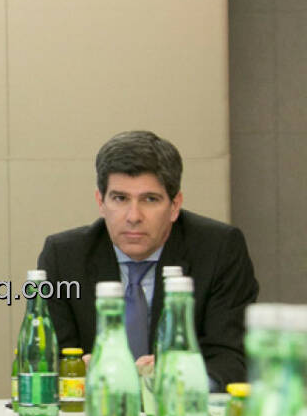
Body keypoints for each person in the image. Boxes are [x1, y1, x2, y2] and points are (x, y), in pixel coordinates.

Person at [37, 130, 257, 390]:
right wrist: (72, 372)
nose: (133, 216)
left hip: (183, 415)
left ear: (175, 205)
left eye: (150, 200)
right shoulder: (63, 256)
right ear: (101, 202)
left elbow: (231, 357)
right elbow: (49, 356)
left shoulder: (219, 249)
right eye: (120, 198)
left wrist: (180, 379)